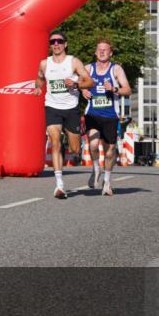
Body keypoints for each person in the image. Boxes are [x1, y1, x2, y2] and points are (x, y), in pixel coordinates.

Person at [34, 30, 94, 199]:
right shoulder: (44, 64)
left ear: (65, 44)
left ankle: (76, 147)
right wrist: (38, 87)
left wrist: (75, 84)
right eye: (52, 42)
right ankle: (59, 185)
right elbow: (39, 78)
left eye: (59, 41)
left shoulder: (73, 62)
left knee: (74, 149)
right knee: (55, 142)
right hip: (52, 107)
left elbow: (90, 81)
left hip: (71, 108)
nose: (56, 44)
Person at [80, 38, 131, 196]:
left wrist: (114, 89)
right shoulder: (88, 68)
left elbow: (127, 90)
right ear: (95, 52)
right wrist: (84, 91)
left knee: (110, 151)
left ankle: (107, 183)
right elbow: (80, 84)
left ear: (110, 53)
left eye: (105, 50)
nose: (102, 52)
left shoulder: (116, 69)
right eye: (99, 49)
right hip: (93, 114)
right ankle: (96, 169)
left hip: (110, 115)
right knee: (93, 145)